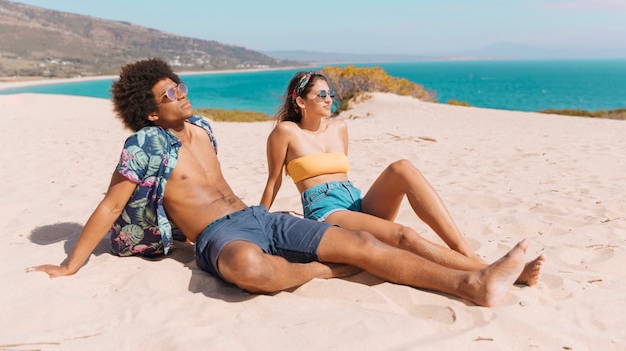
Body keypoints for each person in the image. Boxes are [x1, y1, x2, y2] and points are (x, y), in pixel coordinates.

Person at [33, 58, 532, 307]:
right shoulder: (143, 148)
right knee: (247, 265)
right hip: (219, 237)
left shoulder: (204, 127)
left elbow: (249, 189)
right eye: (170, 94)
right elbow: (107, 206)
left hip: (257, 216)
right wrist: (70, 266)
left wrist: (264, 211)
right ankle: (321, 272)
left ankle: (474, 281)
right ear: (149, 110)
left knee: (361, 241)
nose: (183, 95)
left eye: (180, 86)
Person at [261, 70, 545, 285]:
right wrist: (258, 220)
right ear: (299, 100)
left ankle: (464, 251)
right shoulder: (285, 133)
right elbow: (274, 181)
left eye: (330, 93)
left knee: (402, 167)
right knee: (404, 235)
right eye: (320, 95)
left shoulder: (340, 128)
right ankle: (492, 270)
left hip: (354, 201)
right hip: (327, 211)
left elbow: (342, 174)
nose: (329, 99)